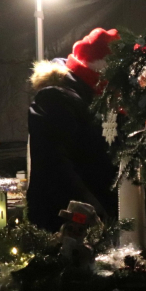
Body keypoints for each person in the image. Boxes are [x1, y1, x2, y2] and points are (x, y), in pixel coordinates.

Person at [27, 28, 121, 232]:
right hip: (67, 225)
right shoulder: (55, 98)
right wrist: (96, 215)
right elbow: (56, 165)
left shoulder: (97, 102)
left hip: (96, 220)